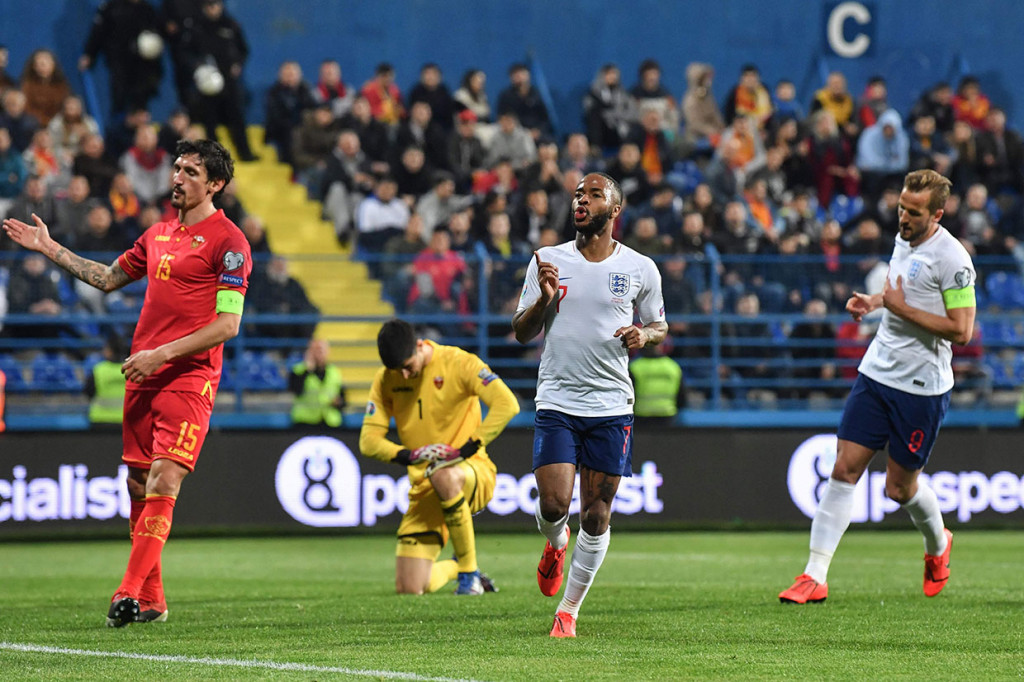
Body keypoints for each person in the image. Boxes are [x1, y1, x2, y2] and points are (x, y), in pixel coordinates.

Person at [3, 138, 251, 627]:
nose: (177, 177)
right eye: (177, 168)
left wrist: (161, 353)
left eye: (191, 172)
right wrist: (49, 247)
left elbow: (227, 326)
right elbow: (107, 277)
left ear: (216, 184)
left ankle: (127, 591)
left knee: (164, 477)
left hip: (188, 376)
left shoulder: (230, 243)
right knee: (138, 483)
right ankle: (154, 599)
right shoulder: (157, 234)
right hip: (144, 376)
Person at [779, 169, 976, 604]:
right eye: (901, 207)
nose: (903, 217)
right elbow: (898, 294)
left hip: (922, 386)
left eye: (914, 212)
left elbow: (961, 331)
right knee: (844, 467)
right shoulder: (903, 239)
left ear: (937, 214)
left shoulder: (955, 261)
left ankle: (938, 544)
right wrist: (876, 302)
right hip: (877, 372)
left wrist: (900, 308)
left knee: (898, 489)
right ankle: (814, 575)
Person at [512, 172, 667, 637]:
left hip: (611, 404)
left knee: (596, 514)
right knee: (556, 503)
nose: (582, 200)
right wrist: (543, 299)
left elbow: (659, 325)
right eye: (579, 194)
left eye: (594, 195)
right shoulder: (547, 259)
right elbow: (521, 330)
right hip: (558, 398)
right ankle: (556, 542)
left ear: (614, 210)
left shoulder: (641, 268)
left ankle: (569, 611)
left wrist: (644, 334)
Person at [359, 318, 520, 595]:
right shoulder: (387, 379)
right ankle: (461, 566)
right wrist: (411, 455)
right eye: (397, 371)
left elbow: (507, 404)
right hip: (424, 488)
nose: (404, 376)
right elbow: (368, 441)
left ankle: (468, 576)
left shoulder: (459, 363)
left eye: (408, 367)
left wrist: (466, 449)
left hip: (471, 472)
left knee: (443, 472)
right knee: (410, 587)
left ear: (420, 346)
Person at [79, 0, 165, 117]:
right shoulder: (110, 7)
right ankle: (121, 125)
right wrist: (89, 54)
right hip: (119, 60)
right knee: (120, 96)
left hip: (143, 65)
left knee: (142, 96)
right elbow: (98, 32)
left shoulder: (148, 9)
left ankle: (141, 126)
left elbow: (158, 33)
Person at [289, 338, 346, 428]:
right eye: (315, 350)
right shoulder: (298, 371)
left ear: (327, 352)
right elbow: (296, 391)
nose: (319, 354)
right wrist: (308, 369)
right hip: (305, 423)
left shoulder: (334, 372)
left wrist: (338, 402)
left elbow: (343, 399)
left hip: (330, 423)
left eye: (321, 350)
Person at [85, 335, 129, 428]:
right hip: (126, 421)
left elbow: (88, 392)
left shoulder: (98, 370)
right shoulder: (132, 369)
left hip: (100, 420)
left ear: (109, 351)